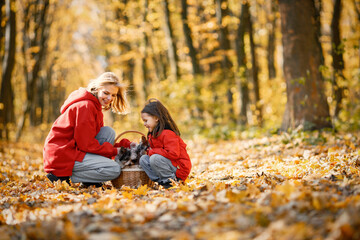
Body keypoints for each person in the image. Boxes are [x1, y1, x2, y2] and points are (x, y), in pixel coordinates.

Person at [43, 72, 131, 187]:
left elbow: (91, 139)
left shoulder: (95, 106)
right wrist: (116, 151)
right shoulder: (85, 106)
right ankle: (61, 176)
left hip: (73, 149)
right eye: (106, 93)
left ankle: (91, 181)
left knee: (108, 132)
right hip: (62, 154)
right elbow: (86, 145)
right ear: (97, 88)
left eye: (113, 95)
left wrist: (122, 147)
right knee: (114, 169)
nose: (110, 98)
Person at [139, 98, 191, 189]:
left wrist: (153, 152)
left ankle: (171, 181)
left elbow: (173, 153)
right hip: (169, 165)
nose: (144, 124)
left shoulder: (167, 134)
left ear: (156, 118)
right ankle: (161, 181)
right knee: (143, 159)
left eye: (146, 120)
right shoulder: (153, 134)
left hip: (179, 169)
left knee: (154, 158)